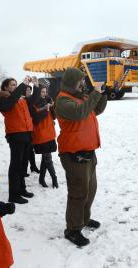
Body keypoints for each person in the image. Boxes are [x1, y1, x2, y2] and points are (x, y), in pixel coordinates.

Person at [55, 68, 107, 246]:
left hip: (89, 153)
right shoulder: (63, 100)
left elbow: (97, 108)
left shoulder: (81, 97)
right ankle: (73, 229)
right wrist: (93, 94)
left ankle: (84, 219)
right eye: (80, 81)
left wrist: (102, 92)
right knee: (78, 193)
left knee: (90, 190)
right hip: (73, 155)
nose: (83, 84)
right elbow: (80, 113)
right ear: (71, 82)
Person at [0, 76, 39, 204]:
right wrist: (22, 85)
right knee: (15, 165)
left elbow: (34, 100)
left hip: (26, 134)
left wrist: (35, 86)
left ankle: (21, 189)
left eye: (16, 84)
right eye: (12, 85)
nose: (15, 86)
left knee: (23, 164)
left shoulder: (21, 99)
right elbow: (8, 105)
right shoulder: (4, 99)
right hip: (16, 135)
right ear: (6, 87)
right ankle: (13, 195)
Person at [32, 85, 58, 188]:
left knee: (45, 158)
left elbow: (54, 117)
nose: (44, 93)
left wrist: (52, 107)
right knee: (48, 158)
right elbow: (36, 119)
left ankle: (41, 178)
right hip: (41, 134)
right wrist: (45, 108)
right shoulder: (34, 103)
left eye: (45, 92)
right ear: (38, 92)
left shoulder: (48, 100)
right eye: (42, 92)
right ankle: (54, 178)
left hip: (50, 132)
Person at [24, 85, 40, 175]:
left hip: (32, 127)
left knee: (31, 149)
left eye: (30, 90)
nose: (29, 92)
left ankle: (33, 167)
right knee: (27, 150)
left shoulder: (31, 100)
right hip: (26, 129)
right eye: (27, 90)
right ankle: (24, 170)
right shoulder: (24, 100)